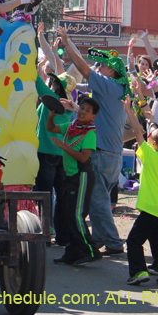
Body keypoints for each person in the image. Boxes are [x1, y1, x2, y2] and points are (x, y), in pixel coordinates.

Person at [55, 27, 131, 256]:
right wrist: (75, 107)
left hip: (103, 152)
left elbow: (83, 68)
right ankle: (98, 237)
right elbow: (101, 116)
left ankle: (114, 242)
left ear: (113, 72)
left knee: (97, 200)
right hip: (112, 153)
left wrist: (67, 44)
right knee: (99, 198)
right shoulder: (115, 89)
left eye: (104, 66)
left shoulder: (110, 86)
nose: (100, 68)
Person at [34, 24, 75, 246]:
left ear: (56, 85)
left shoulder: (51, 97)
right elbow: (59, 72)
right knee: (61, 198)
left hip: (46, 153)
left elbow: (38, 81)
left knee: (44, 196)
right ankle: (62, 235)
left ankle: (44, 233)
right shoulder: (70, 102)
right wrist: (48, 44)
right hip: (63, 154)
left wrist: (30, 56)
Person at [48, 97, 100, 266]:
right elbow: (51, 128)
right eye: (82, 108)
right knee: (68, 216)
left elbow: (84, 158)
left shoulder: (89, 133)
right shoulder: (71, 127)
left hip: (82, 176)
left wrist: (62, 146)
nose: (83, 112)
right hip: (70, 176)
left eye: (87, 111)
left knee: (76, 216)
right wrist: (51, 116)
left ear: (92, 117)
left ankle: (91, 251)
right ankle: (72, 253)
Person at [125, 127, 158, 287]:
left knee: (133, 241)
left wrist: (129, 111)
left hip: (151, 208)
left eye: (149, 138)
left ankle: (138, 272)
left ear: (153, 143)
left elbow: (137, 133)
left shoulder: (150, 155)